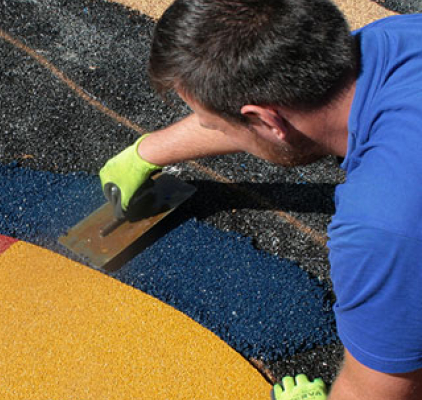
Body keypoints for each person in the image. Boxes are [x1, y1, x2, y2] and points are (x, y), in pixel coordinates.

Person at [99, 0, 422, 399]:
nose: (212, 129)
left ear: (267, 121)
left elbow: (375, 391)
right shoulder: (397, 38)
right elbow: (271, 107)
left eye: (213, 124)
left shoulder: (383, 226)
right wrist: (144, 153)